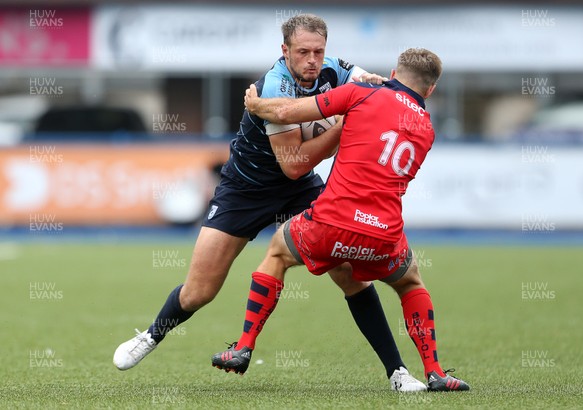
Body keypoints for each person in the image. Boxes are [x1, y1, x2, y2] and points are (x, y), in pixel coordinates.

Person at [113, 14, 425, 392]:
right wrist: (344, 126)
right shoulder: (273, 86)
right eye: (303, 52)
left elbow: (378, 88)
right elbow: (293, 165)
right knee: (199, 291)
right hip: (245, 190)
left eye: (318, 51)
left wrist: (383, 95)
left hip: (299, 192)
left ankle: (397, 372)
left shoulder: (334, 69)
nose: (312, 60)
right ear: (285, 52)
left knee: (348, 272)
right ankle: (150, 336)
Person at [211, 47, 470, 392]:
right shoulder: (426, 128)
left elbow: (289, 112)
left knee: (276, 252)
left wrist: (257, 106)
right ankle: (435, 372)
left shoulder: (362, 94)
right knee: (410, 283)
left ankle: (243, 347)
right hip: (384, 235)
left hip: (331, 224)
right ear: (431, 90)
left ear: (393, 72)